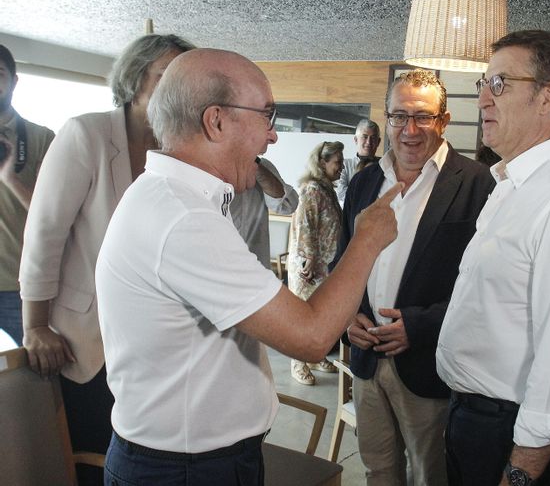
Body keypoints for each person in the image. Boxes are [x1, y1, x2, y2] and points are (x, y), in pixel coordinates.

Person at [95, 48, 400, 484]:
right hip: (186, 470)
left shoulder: (174, 198)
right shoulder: (183, 217)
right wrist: (367, 240)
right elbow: (311, 336)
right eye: (266, 114)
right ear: (216, 121)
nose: (273, 136)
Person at [436, 30, 550, 486]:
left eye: (499, 84)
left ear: (547, 98)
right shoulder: (513, 184)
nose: (481, 100)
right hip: (469, 414)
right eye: (483, 83)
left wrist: (521, 472)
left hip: (509, 431)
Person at [18, 33, 194, 486]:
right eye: (167, 78)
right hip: (85, 340)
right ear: (136, 81)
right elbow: (44, 234)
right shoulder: (87, 134)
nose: (180, 92)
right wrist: (36, 325)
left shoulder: (180, 153)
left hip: (155, 345)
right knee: (94, 458)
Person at [340, 69, 494, 485]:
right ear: (386, 118)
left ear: (443, 121)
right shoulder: (364, 182)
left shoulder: (478, 184)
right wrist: (349, 315)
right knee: (378, 470)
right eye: (399, 116)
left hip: (428, 364)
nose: (410, 130)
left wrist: (421, 327)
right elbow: (343, 261)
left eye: (423, 117)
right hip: (368, 358)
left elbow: (484, 290)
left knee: (431, 476)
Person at [0, 44, 54, 346]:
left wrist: (11, 179)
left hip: (21, 286)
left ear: (14, 81)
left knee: (33, 383)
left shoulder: (42, 139)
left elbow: (54, 219)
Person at [289, 140, 345, 385]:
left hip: (324, 264)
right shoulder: (312, 189)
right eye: (338, 163)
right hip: (310, 264)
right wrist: (309, 258)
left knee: (320, 315)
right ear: (323, 163)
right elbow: (304, 225)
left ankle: (315, 356)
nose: (342, 168)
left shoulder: (326, 188)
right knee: (303, 316)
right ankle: (297, 363)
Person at [230, 156, 297, 268]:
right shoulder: (201, 168)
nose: (273, 138)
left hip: (258, 266)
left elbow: (288, 206)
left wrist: (255, 165)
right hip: (218, 270)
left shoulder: (263, 165)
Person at [336, 118, 381, 204]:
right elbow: (340, 193)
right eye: (365, 137)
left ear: (378, 142)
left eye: (373, 138)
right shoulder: (344, 165)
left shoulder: (384, 165)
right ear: (356, 140)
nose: (368, 142)